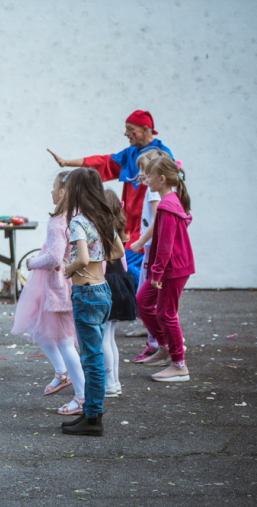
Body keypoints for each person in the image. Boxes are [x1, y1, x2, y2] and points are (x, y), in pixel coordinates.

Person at [47, 110, 172, 286]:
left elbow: (163, 203)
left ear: (145, 130)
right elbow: (104, 163)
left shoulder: (160, 156)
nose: (126, 133)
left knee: (140, 275)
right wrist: (68, 163)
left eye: (130, 129)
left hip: (146, 230)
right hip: (131, 227)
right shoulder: (129, 154)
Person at [11, 171, 85, 415]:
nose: (51, 192)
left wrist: (32, 262)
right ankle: (62, 373)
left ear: (63, 192)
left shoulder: (58, 220)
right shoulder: (78, 216)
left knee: (64, 341)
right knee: (40, 329)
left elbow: (54, 256)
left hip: (58, 288)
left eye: (53, 187)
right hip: (61, 286)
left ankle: (82, 395)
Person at [59, 168, 124, 436]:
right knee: (94, 354)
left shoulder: (77, 221)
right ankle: (89, 414)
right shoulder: (103, 218)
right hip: (103, 290)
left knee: (91, 357)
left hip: (85, 293)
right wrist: (97, 260)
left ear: (75, 192)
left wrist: (69, 269)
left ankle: (93, 417)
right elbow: (119, 251)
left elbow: (82, 259)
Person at [136, 158, 194, 382]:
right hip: (168, 268)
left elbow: (166, 245)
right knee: (142, 302)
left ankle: (179, 365)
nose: (145, 178)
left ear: (161, 179)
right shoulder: (170, 201)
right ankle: (165, 347)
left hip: (173, 269)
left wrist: (156, 273)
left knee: (167, 314)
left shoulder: (166, 204)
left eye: (149, 175)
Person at [129, 150, 171, 361]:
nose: (141, 173)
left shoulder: (154, 192)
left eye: (144, 169)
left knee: (148, 299)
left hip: (153, 251)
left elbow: (157, 221)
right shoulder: (151, 191)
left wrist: (140, 241)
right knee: (147, 298)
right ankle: (156, 341)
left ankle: (157, 343)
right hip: (150, 249)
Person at [102, 189, 137, 398]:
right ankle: (114, 381)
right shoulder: (116, 230)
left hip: (108, 286)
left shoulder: (104, 232)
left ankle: (109, 383)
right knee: (110, 338)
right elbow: (122, 262)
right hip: (120, 284)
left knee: (104, 339)